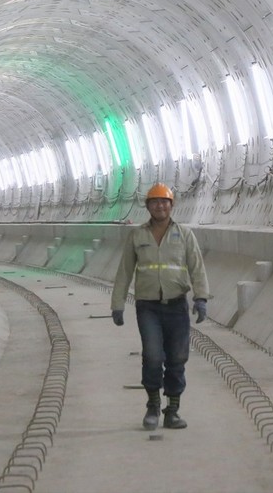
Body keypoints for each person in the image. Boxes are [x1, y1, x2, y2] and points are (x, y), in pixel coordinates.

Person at [110, 183, 211, 430]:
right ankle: (153, 406)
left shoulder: (184, 234)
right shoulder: (137, 235)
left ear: (171, 205)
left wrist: (201, 298)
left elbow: (197, 267)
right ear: (148, 207)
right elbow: (124, 271)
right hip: (148, 307)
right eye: (155, 202)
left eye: (164, 201)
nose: (160, 205)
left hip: (177, 305)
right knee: (153, 357)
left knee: (177, 357)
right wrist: (118, 304)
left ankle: (172, 410)